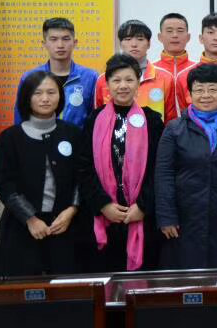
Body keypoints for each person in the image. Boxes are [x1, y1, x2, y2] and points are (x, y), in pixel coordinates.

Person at [155, 64, 217, 269]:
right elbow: (164, 174)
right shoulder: (174, 129)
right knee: (187, 275)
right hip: (185, 218)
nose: (206, 95)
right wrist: (166, 216)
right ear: (190, 94)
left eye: (212, 89)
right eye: (199, 90)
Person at [77, 54, 164, 271]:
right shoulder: (94, 119)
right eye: (116, 80)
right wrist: (103, 204)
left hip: (141, 216)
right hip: (104, 216)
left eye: (129, 80)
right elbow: (84, 167)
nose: (123, 86)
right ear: (107, 85)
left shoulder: (152, 120)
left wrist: (143, 206)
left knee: (142, 283)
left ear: (138, 83)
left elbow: (159, 169)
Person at [0, 72, 81, 276]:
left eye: (51, 92)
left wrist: (72, 209)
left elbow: (82, 177)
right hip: (21, 227)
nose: (45, 98)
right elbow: (3, 183)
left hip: (66, 226)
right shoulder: (10, 137)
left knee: (68, 289)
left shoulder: (73, 134)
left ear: (60, 96)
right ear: (27, 97)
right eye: (38, 93)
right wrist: (30, 219)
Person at [15, 17, 98, 128]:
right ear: (44, 44)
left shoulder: (90, 77)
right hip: (39, 137)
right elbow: (21, 117)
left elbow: (96, 119)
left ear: (74, 42)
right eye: (53, 39)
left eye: (66, 39)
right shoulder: (30, 77)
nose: (60, 45)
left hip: (78, 138)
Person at [95, 20, 176, 123]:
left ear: (149, 44)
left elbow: (171, 120)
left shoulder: (165, 77)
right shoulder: (104, 79)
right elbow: (98, 116)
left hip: (154, 132)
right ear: (120, 44)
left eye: (140, 39)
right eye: (128, 39)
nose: (134, 44)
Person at [154, 13, 196, 115]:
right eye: (169, 31)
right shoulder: (150, 70)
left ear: (188, 37)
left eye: (180, 31)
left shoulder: (198, 69)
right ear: (160, 37)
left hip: (193, 124)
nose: (175, 35)